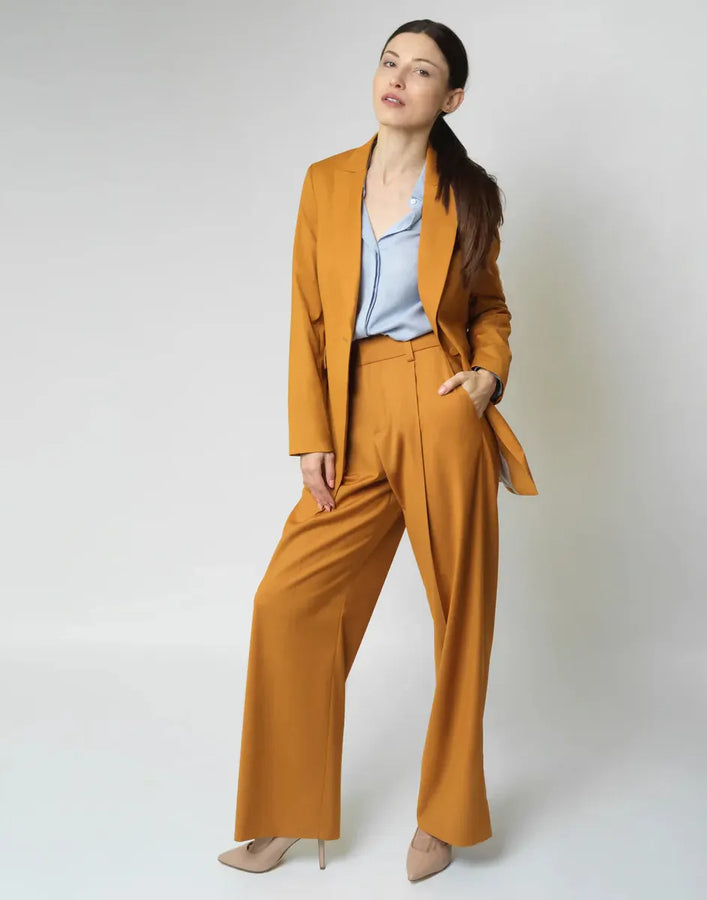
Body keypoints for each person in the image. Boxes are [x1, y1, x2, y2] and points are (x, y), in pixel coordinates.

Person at [217, 18, 538, 883]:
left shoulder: (467, 195)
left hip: (440, 399)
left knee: (460, 617)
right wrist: (310, 435)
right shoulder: (325, 182)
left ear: (451, 98)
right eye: (390, 61)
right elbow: (305, 316)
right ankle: (287, 812)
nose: (398, 77)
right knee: (288, 601)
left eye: (422, 70)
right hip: (351, 406)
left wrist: (487, 377)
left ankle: (446, 813)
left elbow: (490, 308)